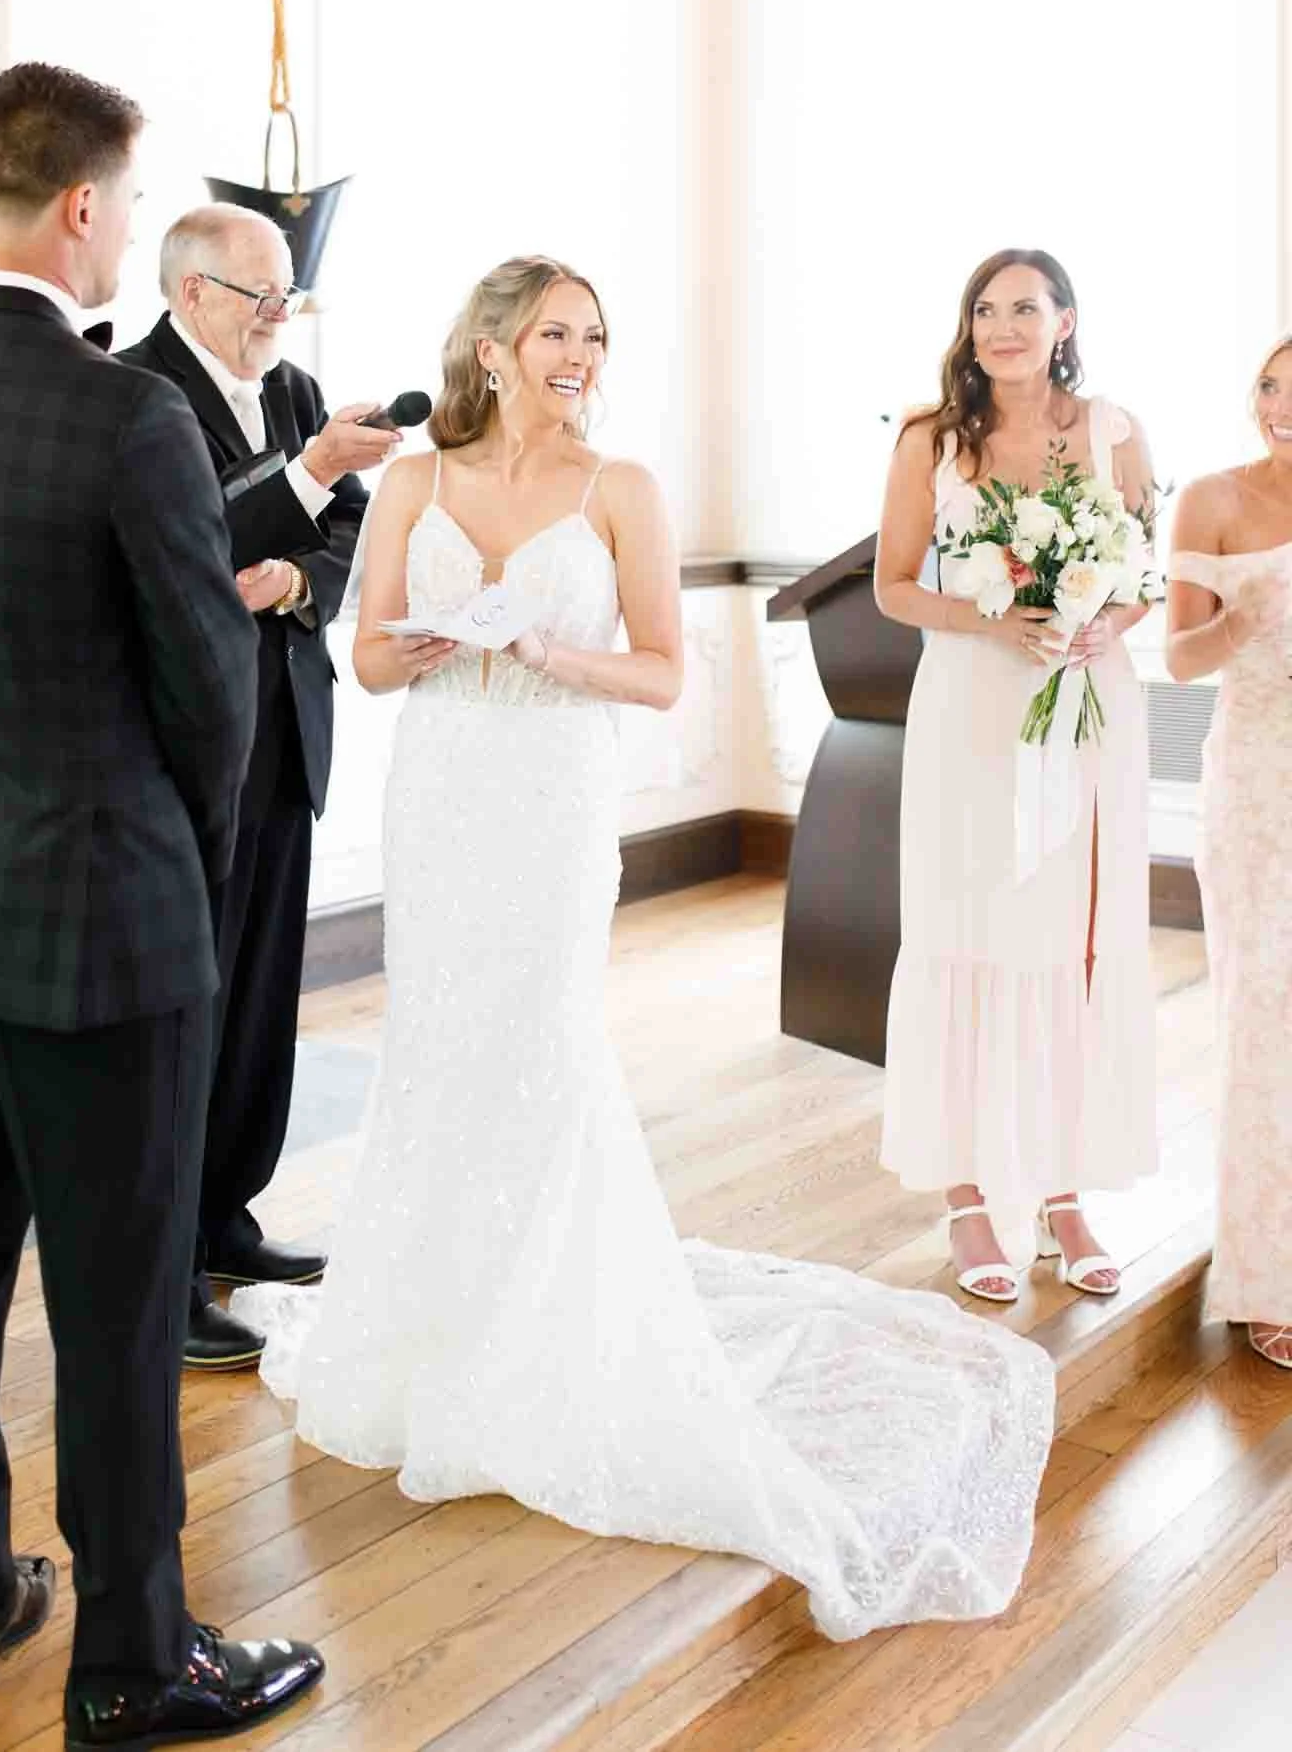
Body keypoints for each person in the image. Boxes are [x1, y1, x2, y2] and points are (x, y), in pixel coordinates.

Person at [235, 255, 1056, 1643]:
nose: (580, 356)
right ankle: (435, 1321)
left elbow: (668, 669)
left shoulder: (623, 489)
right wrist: (429, 647)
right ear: (490, 348)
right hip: (441, 790)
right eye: (556, 333)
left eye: (595, 337)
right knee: (437, 1047)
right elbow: (365, 658)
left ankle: (547, 1326)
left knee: (543, 1040)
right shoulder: (421, 482)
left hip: (553, 794)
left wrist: (552, 655)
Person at [0, 65, 322, 1747]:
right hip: (105, 923)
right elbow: (212, 699)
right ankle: (134, 1655)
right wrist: (183, 869)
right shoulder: (132, 419)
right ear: (86, 210)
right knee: (116, 1302)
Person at [117, 206, 396, 1370]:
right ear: (190, 292)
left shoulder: (294, 389)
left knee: (266, 989)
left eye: (290, 295)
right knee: (189, 1004)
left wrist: (299, 581)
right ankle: (161, 1265)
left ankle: (228, 1212)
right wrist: (309, 477)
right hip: (185, 742)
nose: (279, 316)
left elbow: (346, 527)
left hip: (287, 722)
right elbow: (182, 545)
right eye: (258, 296)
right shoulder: (131, 393)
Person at [875, 248, 1158, 1304]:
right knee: (964, 926)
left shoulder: (1113, 430)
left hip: (1085, 704)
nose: (1001, 326)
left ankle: (1061, 1191)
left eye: (1023, 308)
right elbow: (894, 587)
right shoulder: (928, 438)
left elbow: (1144, 575)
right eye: (984, 309)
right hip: (969, 706)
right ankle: (965, 1193)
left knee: (1071, 937)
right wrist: (993, 617)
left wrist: (1098, 624)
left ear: (1063, 320)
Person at [1166, 334, 1292, 1369]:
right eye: (1268, 384)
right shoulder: (1210, 498)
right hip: (1256, 778)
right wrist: (1244, 617)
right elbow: (1178, 652)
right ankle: (1267, 1271)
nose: (1279, 404)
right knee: (1263, 1010)